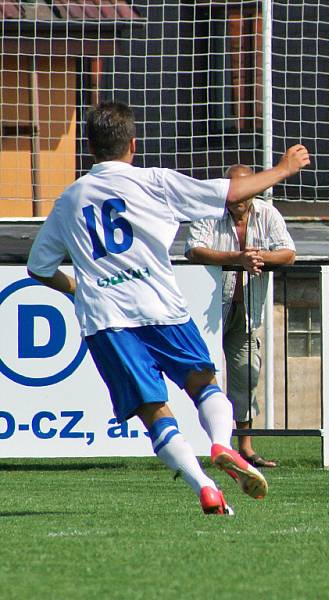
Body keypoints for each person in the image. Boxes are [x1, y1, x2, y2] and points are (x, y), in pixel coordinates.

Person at [26, 101, 310, 515]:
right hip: (162, 307)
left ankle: (204, 487)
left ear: (88, 148)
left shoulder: (69, 200)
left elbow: (39, 268)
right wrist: (284, 169)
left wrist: (76, 287)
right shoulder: (153, 182)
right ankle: (220, 443)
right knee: (204, 383)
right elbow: (231, 191)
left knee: (153, 412)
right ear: (133, 145)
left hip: (106, 319)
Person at [185, 164, 296, 469]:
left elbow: (288, 253)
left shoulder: (268, 213)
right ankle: (205, 443)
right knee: (201, 374)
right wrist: (237, 259)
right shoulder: (208, 210)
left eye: (245, 189)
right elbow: (193, 250)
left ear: (255, 189)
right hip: (207, 310)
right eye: (234, 189)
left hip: (249, 311)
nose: (239, 196)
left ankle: (245, 447)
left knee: (247, 374)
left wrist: (257, 258)